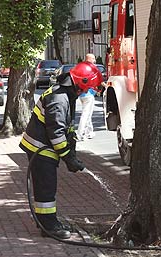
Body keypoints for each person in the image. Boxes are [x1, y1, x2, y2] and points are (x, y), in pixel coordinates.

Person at [20, 62, 103, 239]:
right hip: (40, 148)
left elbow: (66, 126)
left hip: (44, 145)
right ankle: (48, 226)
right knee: (46, 187)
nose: (89, 92)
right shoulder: (59, 99)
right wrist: (68, 158)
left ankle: (47, 221)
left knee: (46, 187)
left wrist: (71, 144)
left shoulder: (66, 93)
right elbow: (56, 133)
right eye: (89, 88)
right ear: (82, 83)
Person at [76, 53, 98, 141]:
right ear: (89, 59)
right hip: (88, 94)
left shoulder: (82, 68)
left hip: (82, 95)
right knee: (85, 114)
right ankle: (80, 134)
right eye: (93, 58)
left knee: (88, 114)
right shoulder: (91, 69)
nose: (95, 60)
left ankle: (89, 132)